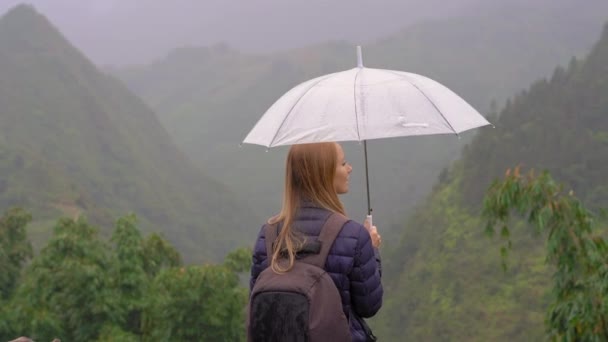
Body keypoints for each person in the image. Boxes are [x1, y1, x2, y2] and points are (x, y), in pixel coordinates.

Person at [250, 142, 383, 341]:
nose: (350, 168)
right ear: (324, 172)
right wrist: (372, 251)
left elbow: (258, 304)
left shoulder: (267, 234)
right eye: (343, 163)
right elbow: (369, 305)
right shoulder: (353, 235)